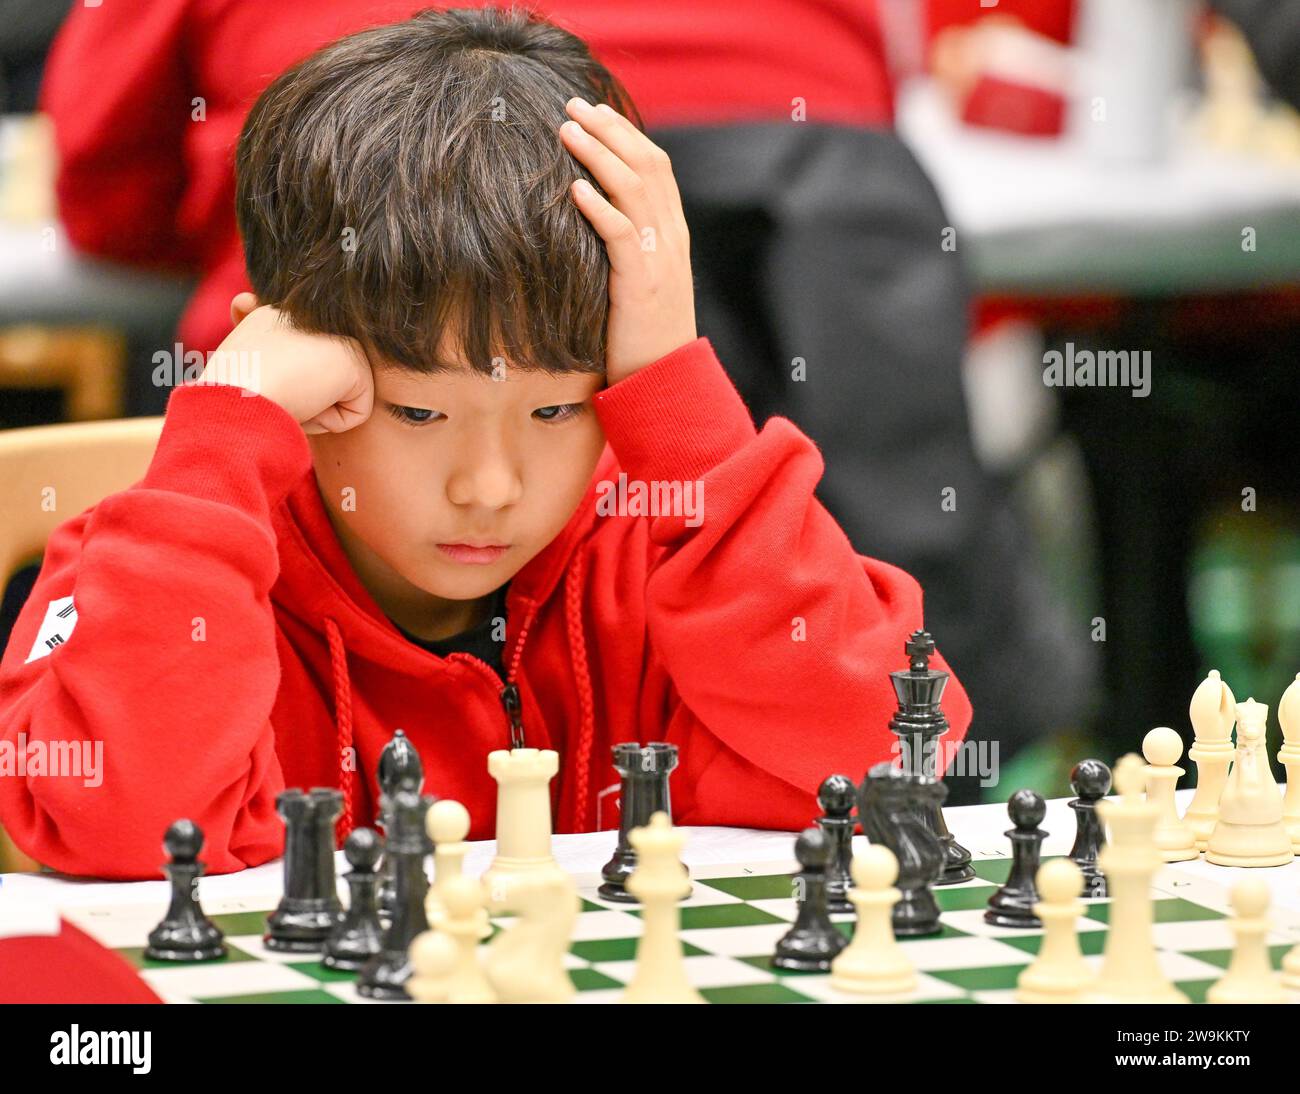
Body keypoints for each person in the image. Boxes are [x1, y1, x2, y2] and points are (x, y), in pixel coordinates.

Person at [0, 8, 970, 881]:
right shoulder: (154, 562)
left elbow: (895, 762)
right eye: (418, 414)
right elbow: (118, 826)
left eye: (555, 412)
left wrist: (681, 403)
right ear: (284, 355)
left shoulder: (662, 560)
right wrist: (220, 435)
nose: (489, 486)